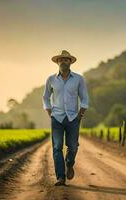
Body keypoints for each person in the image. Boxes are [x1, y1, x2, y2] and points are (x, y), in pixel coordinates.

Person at [42, 50, 89, 186]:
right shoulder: (51, 79)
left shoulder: (79, 79)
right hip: (56, 118)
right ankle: (60, 177)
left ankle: (70, 163)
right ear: (57, 62)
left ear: (70, 62)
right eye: (61, 60)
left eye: (66, 60)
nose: (63, 62)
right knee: (57, 147)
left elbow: (85, 98)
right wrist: (49, 111)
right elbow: (45, 97)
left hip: (73, 117)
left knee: (73, 146)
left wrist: (81, 114)